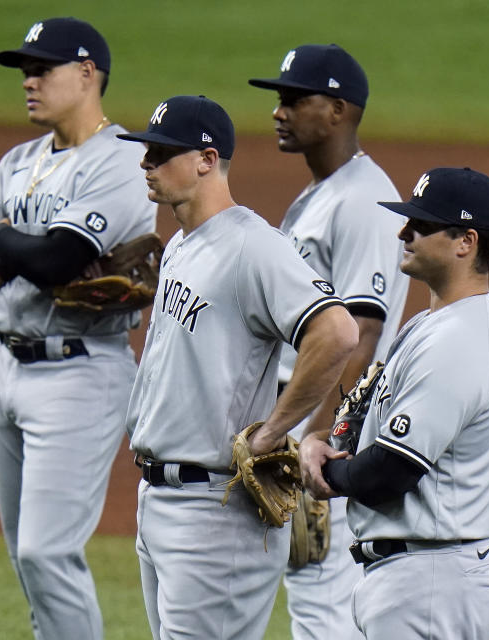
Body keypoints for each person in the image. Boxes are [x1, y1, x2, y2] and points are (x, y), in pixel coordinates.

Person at [115, 95, 359, 640]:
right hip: (160, 498)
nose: (146, 164)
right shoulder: (180, 243)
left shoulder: (253, 246)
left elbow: (338, 331)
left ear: (206, 159)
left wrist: (275, 431)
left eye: (160, 153)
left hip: (214, 510)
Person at [0, 17, 156, 640]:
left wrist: (8, 239)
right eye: (24, 69)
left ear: (88, 73)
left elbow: (56, 261)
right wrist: (29, 249)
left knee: (48, 552)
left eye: (43, 68)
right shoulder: (18, 162)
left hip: (80, 372)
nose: (29, 80)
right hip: (5, 367)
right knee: (25, 556)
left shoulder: (122, 159)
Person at [300, 167, 489, 639]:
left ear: (466, 242)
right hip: (417, 575)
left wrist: (319, 472)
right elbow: (361, 418)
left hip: (432, 582)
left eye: (421, 224)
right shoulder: (430, 325)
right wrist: (322, 438)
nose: (404, 232)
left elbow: (390, 472)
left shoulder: (457, 342)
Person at [248, 43, 409, 640]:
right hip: (304, 410)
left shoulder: (363, 201)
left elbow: (361, 333)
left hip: (325, 421)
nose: (278, 112)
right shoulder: (323, 194)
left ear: (339, 109)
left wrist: (318, 435)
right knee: (308, 592)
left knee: (321, 597)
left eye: (294, 100)